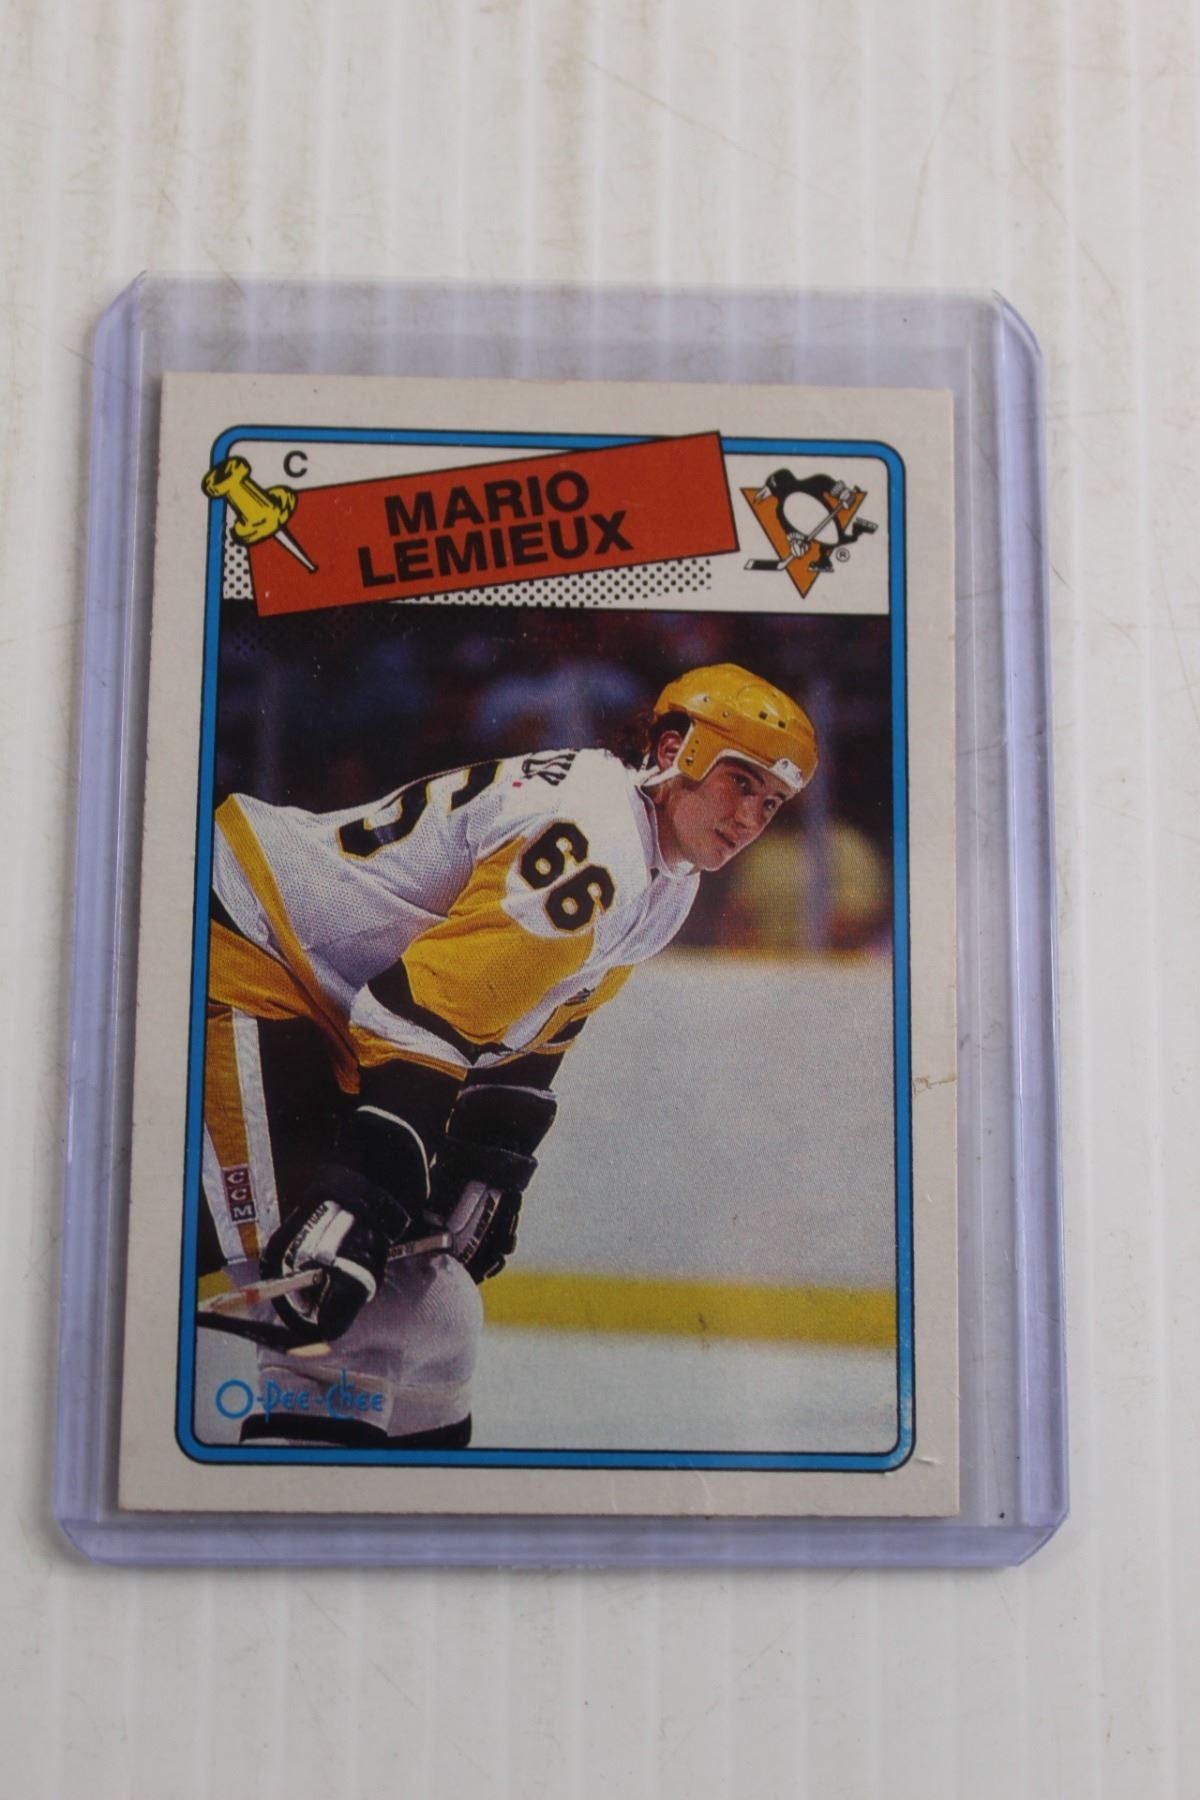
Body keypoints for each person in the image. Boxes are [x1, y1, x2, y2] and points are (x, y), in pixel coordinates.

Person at [199, 663, 818, 1448]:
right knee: (329, 1314)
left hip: (319, 991)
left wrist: (488, 1157)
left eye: (772, 802)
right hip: (244, 950)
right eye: (741, 782)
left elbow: (538, 1023)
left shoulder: (666, 876)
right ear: (675, 750)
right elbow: (412, 1013)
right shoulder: (599, 843)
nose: (751, 817)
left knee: (434, 1321)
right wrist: (366, 1186)